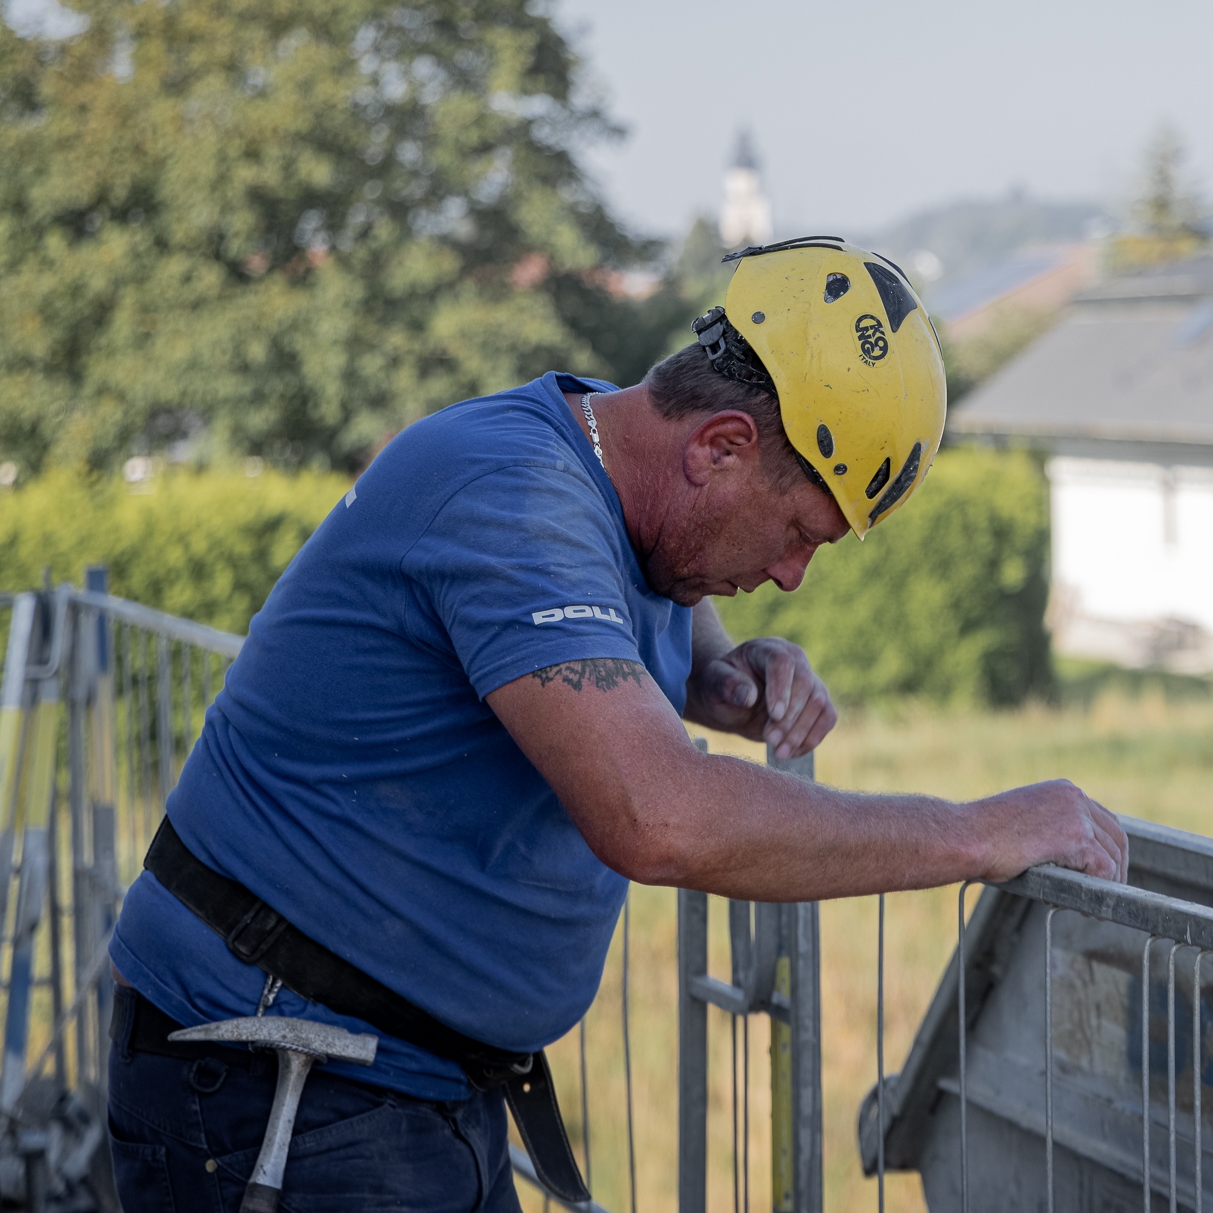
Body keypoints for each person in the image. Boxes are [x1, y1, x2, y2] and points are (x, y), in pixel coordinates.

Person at [105, 237, 1127, 1209]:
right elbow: (656, 816)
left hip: (402, 1080)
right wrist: (978, 833)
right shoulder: (512, 498)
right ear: (719, 445)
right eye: (797, 533)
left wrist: (721, 674)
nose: (789, 576)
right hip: (275, 1080)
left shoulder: (607, 464)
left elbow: (636, 601)